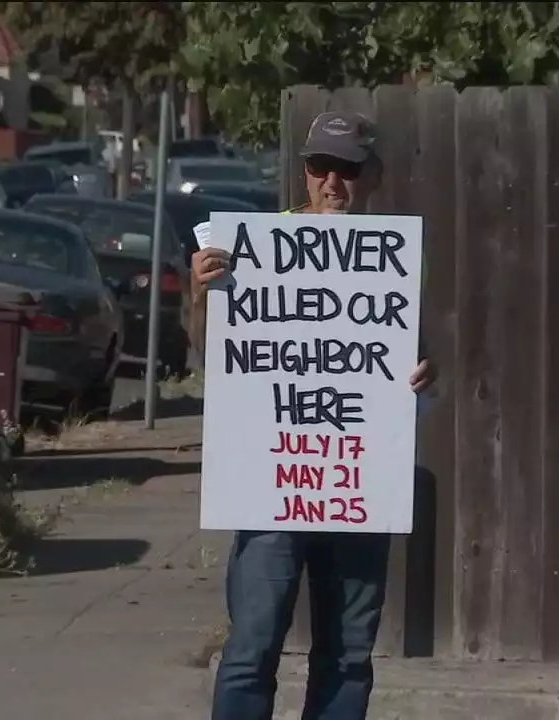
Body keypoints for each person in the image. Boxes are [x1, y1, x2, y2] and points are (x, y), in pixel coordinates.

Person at [188, 110, 436, 720]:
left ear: (372, 175)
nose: (333, 182)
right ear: (303, 172)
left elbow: (405, 361)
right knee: (251, 648)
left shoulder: (387, 260)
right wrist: (199, 296)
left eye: (348, 168)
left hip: (356, 484)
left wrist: (427, 374)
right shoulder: (254, 248)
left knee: (349, 653)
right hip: (270, 486)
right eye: (321, 166)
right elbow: (210, 354)